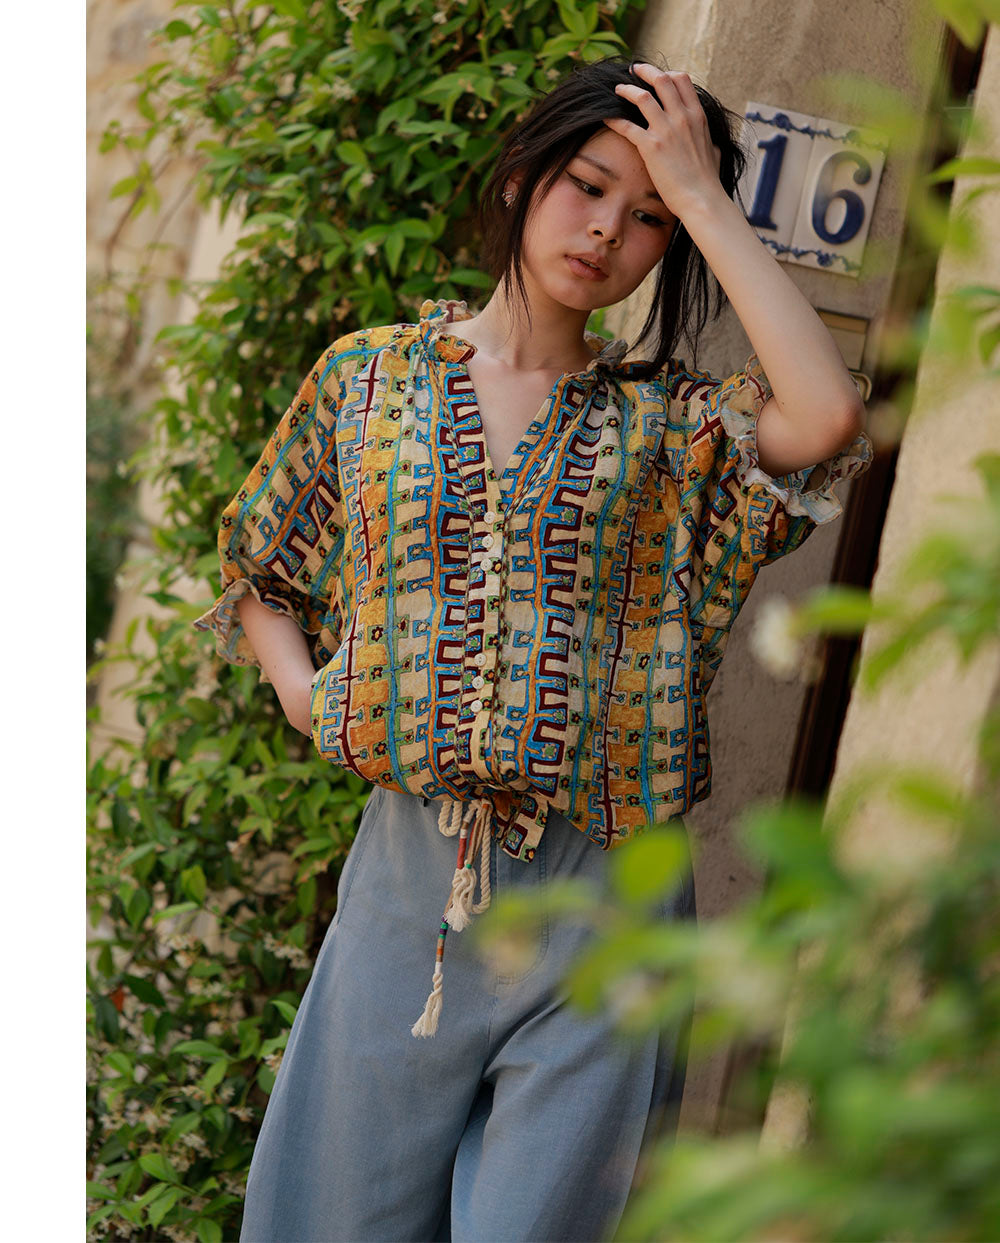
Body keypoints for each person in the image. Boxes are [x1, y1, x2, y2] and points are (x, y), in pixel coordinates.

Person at [194, 52, 873, 1243]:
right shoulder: (369, 381)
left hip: (608, 901)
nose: (608, 229)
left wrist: (705, 196)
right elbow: (261, 564)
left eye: (648, 215)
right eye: (587, 185)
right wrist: (306, 697)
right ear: (521, 176)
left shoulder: (671, 429)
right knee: (328, 1219)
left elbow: (823, 417)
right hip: (408, 881)